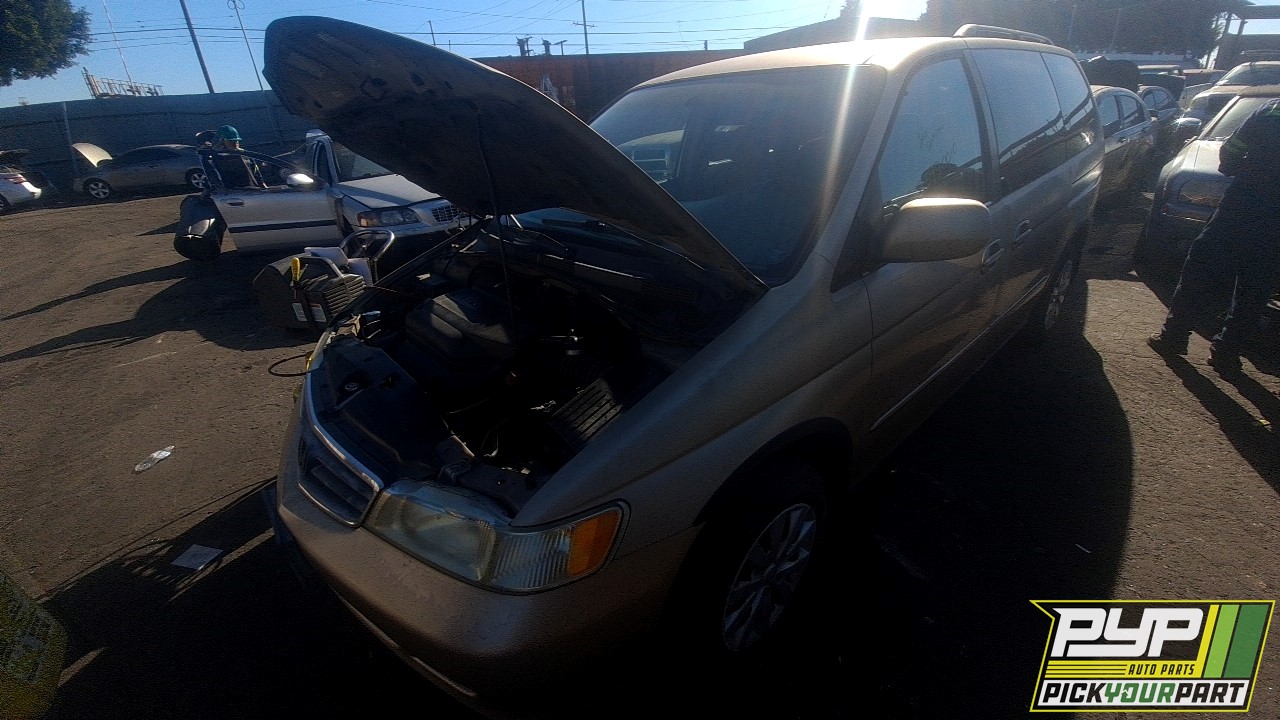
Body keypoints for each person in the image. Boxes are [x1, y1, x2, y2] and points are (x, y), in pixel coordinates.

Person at [1147, 96, 1280, 372]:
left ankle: (1174, 337)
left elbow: (1232, 150)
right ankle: (1226, 354)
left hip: (1242, 207)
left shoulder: (1271, 110)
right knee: (1256, 288)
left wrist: (1236, 169)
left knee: (1201, 269)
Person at [206, 124, 263, 189]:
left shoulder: (245, 155)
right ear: (221, 141)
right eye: (231, 141)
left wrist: (263, 186)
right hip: (232, 194)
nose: (235, 143)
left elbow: (257, 174)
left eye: (236, 141)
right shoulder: (214, 159)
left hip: (252, 192)